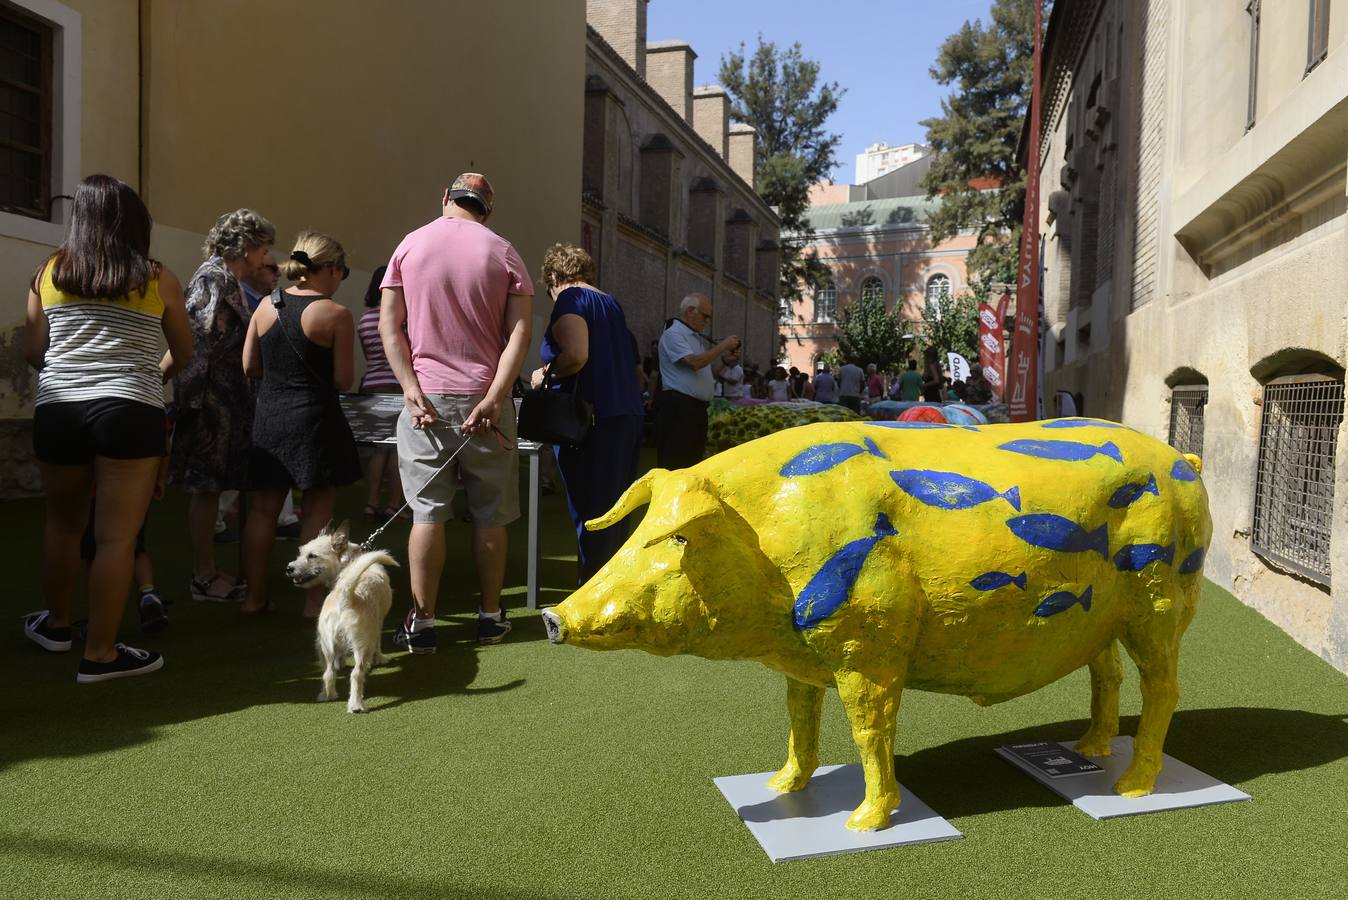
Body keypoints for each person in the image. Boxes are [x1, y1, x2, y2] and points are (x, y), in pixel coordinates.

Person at [22, 174, 192, 682]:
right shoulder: (158, 278)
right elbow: (184, 352)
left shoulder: (47, 272)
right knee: (116, 538)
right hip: (130, 413)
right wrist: (146, 376)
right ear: (135, 223)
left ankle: (55, 626)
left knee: (63, 523)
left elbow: (34, 351)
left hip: (59, 409)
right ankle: (99, 653)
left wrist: (70, 375)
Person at [380, 172, 533, 650]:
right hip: (485, 399)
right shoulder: (503, 251)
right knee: (491, 513)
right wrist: (494, 395)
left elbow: (390, 324)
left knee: (427, 515)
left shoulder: (409, 245)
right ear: (487, 208)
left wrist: (409, 388)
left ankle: (423, 623)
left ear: (445, 197)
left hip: (426, 398)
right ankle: (490, 616)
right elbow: (519, 334)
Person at [241, 231, 362, 617]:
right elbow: (344, 380)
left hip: (271, 417)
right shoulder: (336, 315)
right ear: (327, 268)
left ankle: (253, 597)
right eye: (341, 270)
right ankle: (313, 604)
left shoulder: (264, 306)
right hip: (315, 420)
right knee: (317, 515)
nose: (341, 278)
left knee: (261, 513)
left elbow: (249, 366)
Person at [171, 208, 275, 602]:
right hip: (209, 403)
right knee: (206, 489)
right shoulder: (214, 278)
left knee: (214, 488)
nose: (267, 257)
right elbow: (197, 344)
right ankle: (203, 576)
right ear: (247, 248)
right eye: (264, 248)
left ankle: (211, 571)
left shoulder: (225, 278)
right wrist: (191, 405)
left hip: (224, 400)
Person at [529, 244, 644, 583]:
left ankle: (592, 590)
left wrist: (545, 373)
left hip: (591, 421)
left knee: (591, 511)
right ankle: (611, 584)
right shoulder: (611, 303)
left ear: (553, 276)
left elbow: (577, 355)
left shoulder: (570, 299)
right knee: (614, 510)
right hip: (623, 414)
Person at [656, 294, 739, 469]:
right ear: (690, 311)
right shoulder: (674, 333)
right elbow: (694, 363)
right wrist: (722, 346)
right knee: (676, 463)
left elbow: (707, 375)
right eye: (705, 316)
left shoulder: (694, 338)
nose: (707, 321)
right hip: (679, 408)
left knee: (692, 463)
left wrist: (725, 361)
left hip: (695, 410)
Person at [357, 264, 404, 519]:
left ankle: (372, 501)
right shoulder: (400, 317)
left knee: (379, 449)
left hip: (373, 385)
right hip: (397, 385)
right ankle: (394, 504)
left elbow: (369, 356)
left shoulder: (365, 319)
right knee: (398, 448)